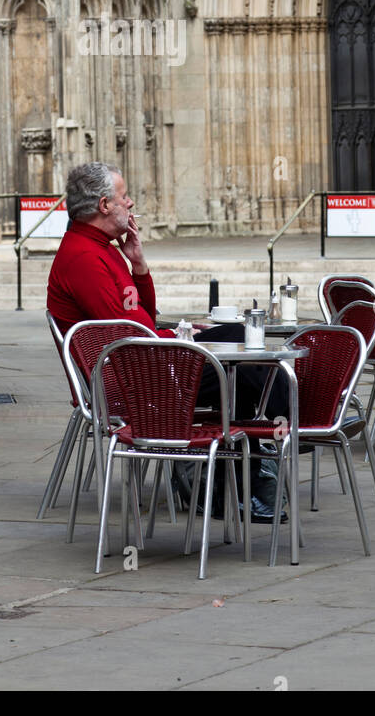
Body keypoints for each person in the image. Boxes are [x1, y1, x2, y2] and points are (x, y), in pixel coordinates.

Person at [47, 162, 287, 518]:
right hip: (136, 383)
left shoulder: (106, 249)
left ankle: (239, 477)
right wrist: (173, 339)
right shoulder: (84, 256)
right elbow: (126, 337)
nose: (130, 204)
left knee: (238, 342)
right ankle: (287, 431)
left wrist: (139, 266)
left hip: (148, 362)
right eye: (124, 196)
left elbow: (143, 315)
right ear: (103, 205)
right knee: (241, 365)